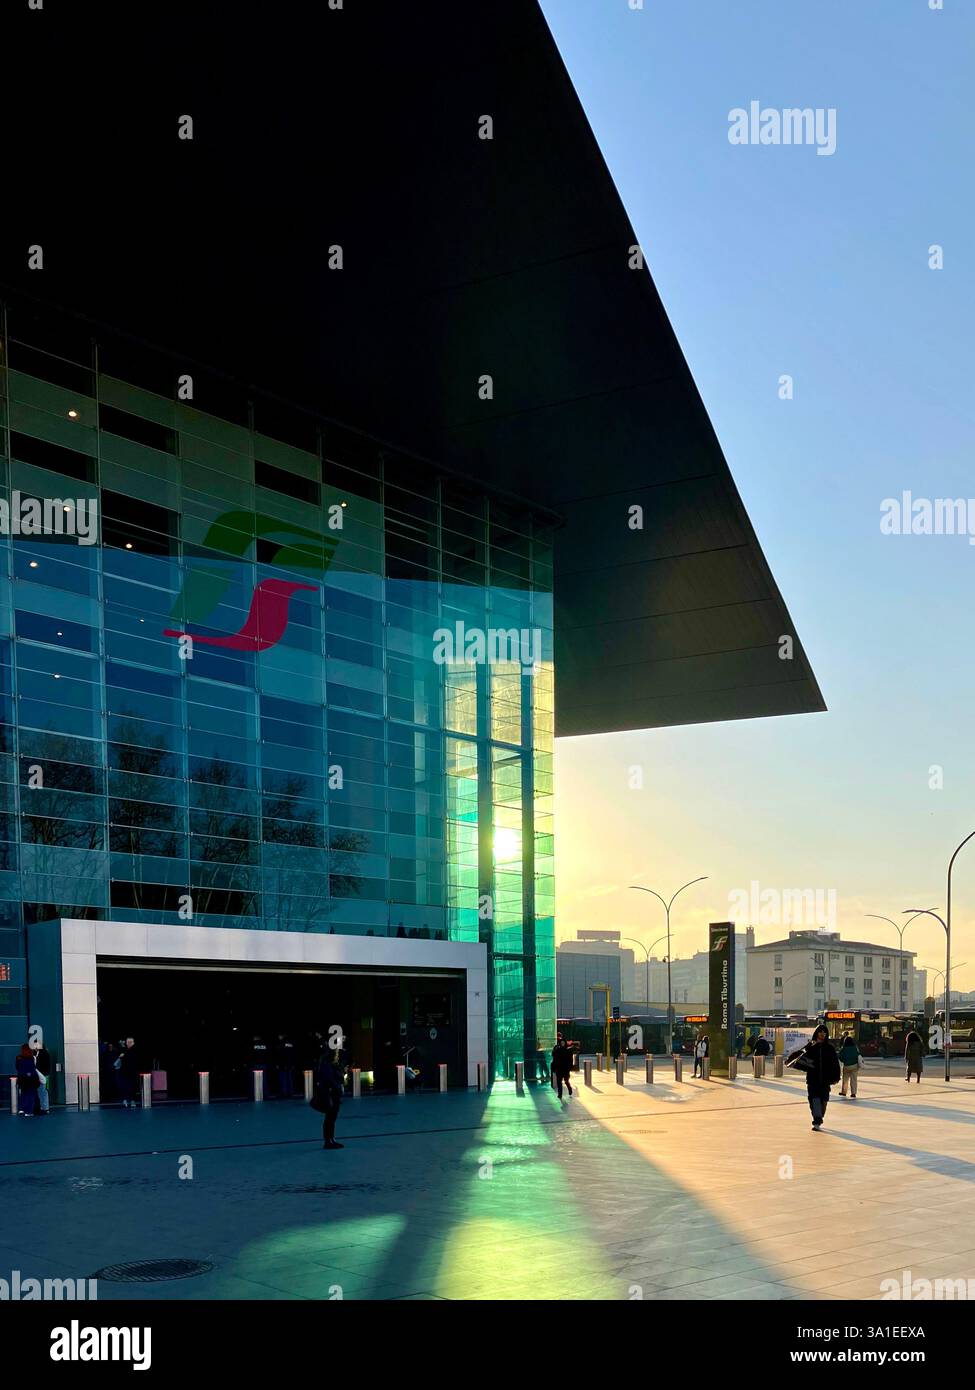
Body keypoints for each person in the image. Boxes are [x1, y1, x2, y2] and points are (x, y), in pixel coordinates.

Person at [788, 1024, 841, 1130]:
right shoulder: (810, 1046)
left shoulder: (830, 1048)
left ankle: (819, 1117)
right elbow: (797, 1056)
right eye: (820, 1032)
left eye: (824, 1032)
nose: (822, 1034)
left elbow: (835, 1064)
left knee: (824, 1101)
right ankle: (816, 1120)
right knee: (814, 1100)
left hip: (825, 1080)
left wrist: (836, 1076)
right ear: (816, 1033)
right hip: (813, 1079)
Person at [317, 1048, 346, 1149]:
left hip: (334, 1094)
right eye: (337, 1054)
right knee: (329, 1118)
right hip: (330, 1094)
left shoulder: (332, 1065)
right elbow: (329, 1079)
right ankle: (328, 1140)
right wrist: (337, 1086)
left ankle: (331, 1139)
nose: (338, 1056)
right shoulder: (327, 1065)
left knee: (332, 1118)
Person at [15, 1043, 39, 1116]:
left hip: (22, 1079)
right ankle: (29, 1111)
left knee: (23, 1093)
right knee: (30, 1095)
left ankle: (22, 1109)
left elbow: (17, 1067)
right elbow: (32, 1069)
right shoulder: (31, 1058)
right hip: (31, 1079)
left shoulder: (18, 1058)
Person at [837, 1032, 862, 1098]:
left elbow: (840, 1057)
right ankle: (853, 1093)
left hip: (847, 1066)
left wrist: (844, 1060)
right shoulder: (855, 1048)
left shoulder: (844, 1049)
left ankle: (844, 1092)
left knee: (845, 1080)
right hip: (855, 1065)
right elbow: (858, 1054)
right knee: (854, 1080)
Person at [117, 1037, 140, 1108]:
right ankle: (125, 1100)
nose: (129, 1043)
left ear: (133, 1043)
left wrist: (124, 1055)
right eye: (128, 1042)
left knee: (133, 1086)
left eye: (130, 1042)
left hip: (133, 1071)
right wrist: (121, 1056)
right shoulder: (123, 1050)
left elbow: (134, 1059)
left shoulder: (135, 1050)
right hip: (124, 1071)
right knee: (124, 1086)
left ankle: (133, 1100)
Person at [32, 1039, 53, 1114]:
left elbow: (46, 1065)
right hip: (38, 1075)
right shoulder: (35, 1053)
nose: (35, 1046)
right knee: (40, 1091)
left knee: (44, 1091)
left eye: (36, 1044)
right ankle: (41, 1106)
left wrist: (43, 1074)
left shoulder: (44, 1053)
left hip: (44, 1075)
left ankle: (45, 1108)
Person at [551, 1034, 573, 1099]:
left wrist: (569, 1068)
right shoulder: (557, 1050)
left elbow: (570, 1060)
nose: (562, 1044)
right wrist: (554, 1068)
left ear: (565, 1043)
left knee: (566, 1081)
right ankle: (560, 1094)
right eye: (561, 1043)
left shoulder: (568, 1051)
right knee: (559, 1082)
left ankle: (569, 1088)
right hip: (559, 1068)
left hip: (565, 1069)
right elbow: (554, 1057)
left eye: (563, 1043)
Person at [275, 1033, 296, 1099]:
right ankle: (291, 1092)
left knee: (283, 1079)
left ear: (281, 1036)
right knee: (289, 1078)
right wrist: (293, 1064)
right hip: (290, 1064)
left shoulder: (281, 1043)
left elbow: (279, 1055)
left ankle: (284, 1093)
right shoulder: (291, 1043)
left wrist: (278, 1064)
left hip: (282, 1064)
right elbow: (294, 1054)